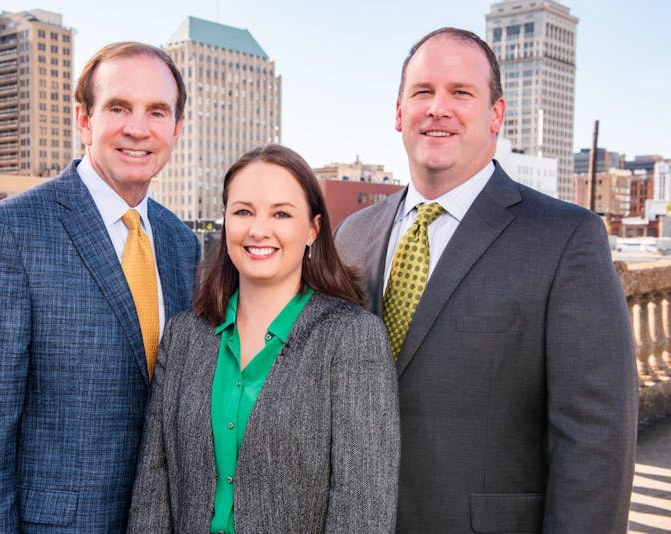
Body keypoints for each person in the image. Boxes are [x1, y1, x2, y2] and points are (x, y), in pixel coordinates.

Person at [335, 28, 638, 533]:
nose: (438, 108)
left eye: (461, 92)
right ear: (399, 112)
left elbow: (596, 439)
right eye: (423, 92)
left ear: (496, 114)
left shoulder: (566, 239)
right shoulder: (352, 236)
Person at [0, 42, 200, 532]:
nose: (138, 128)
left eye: (156, 112)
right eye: (118, 108)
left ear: (176, 129)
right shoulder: (7, 233)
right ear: (84, 120)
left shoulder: (181, 243)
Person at [127, 144, 400, 533]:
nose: (258, 230)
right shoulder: (183, 336)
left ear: (313, 229)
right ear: (225, 220)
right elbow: (152, 493)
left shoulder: (351, 338)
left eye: (281, 214)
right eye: (243, 212)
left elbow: (362, 513)